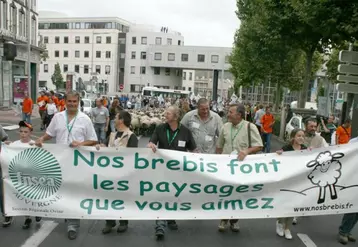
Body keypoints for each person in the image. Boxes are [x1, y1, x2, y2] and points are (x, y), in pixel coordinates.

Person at [34, 91, 98, 240]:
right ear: (65, 101)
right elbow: (50, 133)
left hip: (77, 164)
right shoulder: (57, 117)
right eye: (69, 101)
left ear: (78, 102)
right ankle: (63, 213)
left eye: (75, 101)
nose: (72, 104)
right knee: (59, 191)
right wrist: (42, 139)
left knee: (74, 192)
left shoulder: (85, 119)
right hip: (59, 163)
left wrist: (81, 144)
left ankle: (73, 225)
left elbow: (93, 140)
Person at [147, 105, 197, 240]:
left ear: (176, 116)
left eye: (168, 113)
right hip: (162, 169)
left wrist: (201, 160)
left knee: (174, 194)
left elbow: (193, 150)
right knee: (162, 194)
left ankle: (170, 218)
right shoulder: (160, 128)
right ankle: (160, 225)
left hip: (178, 171)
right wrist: (151, 144)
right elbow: (152, 141)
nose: (165, 115)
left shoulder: (185, 131)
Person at [216, 103, 263, 232]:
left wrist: (247, 151)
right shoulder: (225, 127)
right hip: (226, 167)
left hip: (242, 168)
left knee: (238, 194)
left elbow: (259, 145)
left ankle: (234, 220)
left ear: (239, 115)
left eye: (231, 112)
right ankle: (223, 219)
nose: (228, 114)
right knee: (225, 193)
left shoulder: (250, 127)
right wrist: (214, 163)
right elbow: (219, 146)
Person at [97, 110, 138, 234]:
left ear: (121, 120)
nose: (114, 120)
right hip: (110, 172)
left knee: (122, 197)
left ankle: (123, 221)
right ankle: (109, 222)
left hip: (124, 173)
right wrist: (101, 146)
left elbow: (132, 156)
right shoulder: (112, 135)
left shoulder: (131, 136)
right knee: (109, 197)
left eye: (116, 117)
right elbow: (105, 145)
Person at [3, 121, 43, 229]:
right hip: (18, 176)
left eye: (26, 132)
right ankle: (27, 218)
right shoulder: (14, 144)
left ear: (30, 133)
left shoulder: (35, 144)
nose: (23, 134)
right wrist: (6, 146)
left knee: (31, 197)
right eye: (21, 131)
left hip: (31, 177)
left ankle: (37, 213)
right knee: (22, 197)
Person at [275, 128, 307, 240]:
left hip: (299, 182)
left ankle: (287, 228)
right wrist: (278, 155)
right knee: (285, 203)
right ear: (293, 137)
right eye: (299, 135)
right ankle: (280, 223)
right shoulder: (286, 148)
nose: (301, 138)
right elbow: (279, 161)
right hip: (287, 182)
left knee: (293, 204)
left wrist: (312, 153)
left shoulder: (305, 149)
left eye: (303, 136)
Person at [337, 137, 358, 244]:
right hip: (354, 178)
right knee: (352, 206)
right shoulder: (353, 142)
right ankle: (343, 232)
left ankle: (348, 230)